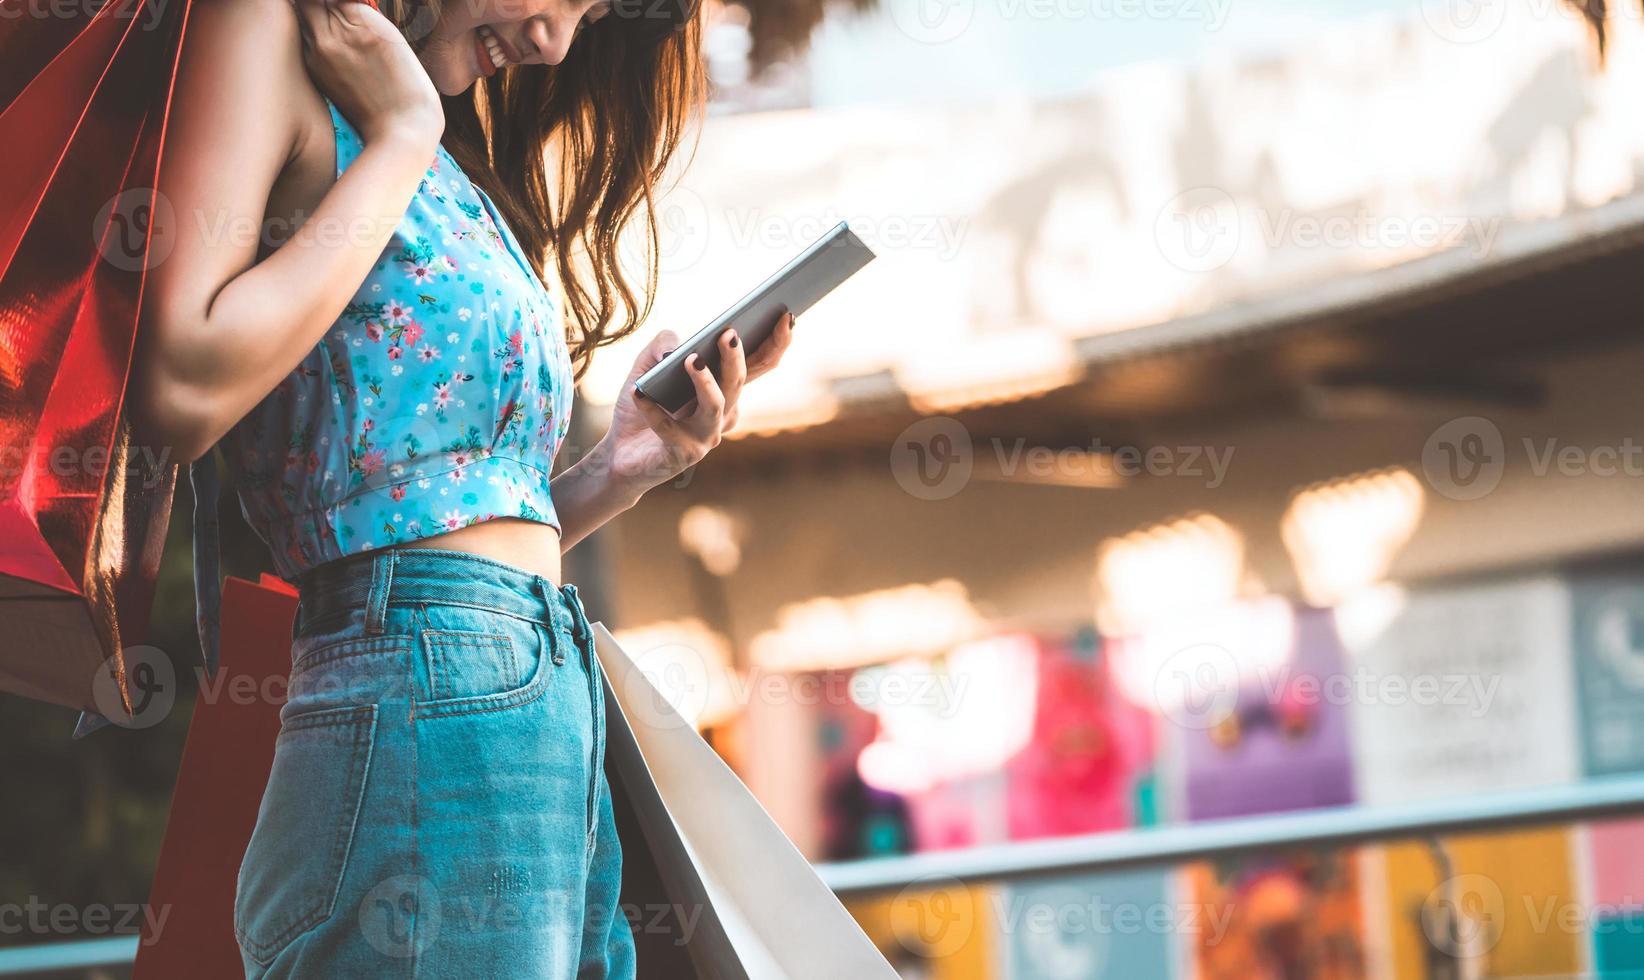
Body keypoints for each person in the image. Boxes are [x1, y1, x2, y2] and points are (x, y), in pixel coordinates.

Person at [128, 0, 797, 974]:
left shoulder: (427, 134)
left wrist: (621, 468)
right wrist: (402, 135)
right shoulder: (280, 37)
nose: (558, 41)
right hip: (423, 703)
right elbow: (180, 385)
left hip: (532, 691)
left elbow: (439, 523)